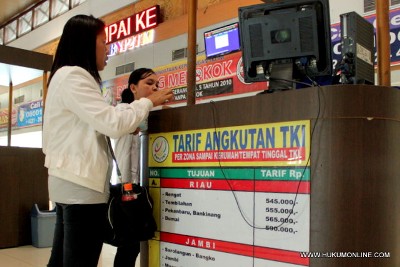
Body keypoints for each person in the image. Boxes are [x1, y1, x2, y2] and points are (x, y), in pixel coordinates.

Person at [42, 15, 173, 267]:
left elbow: (107, 118)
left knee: (60, 260)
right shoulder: (74, 76)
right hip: (81, 188)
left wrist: (136, 108)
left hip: (71, 184)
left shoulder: (66, 76)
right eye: (104, 42)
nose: (108, 50)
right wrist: (147, 102)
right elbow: (111, 124)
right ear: (86, 43)